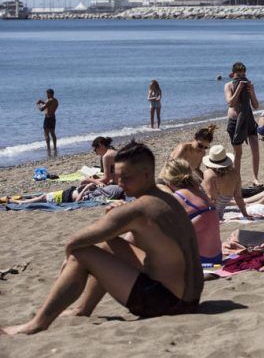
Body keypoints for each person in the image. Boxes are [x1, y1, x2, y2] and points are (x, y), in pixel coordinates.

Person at [1, 142, 204, 334]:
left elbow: (74, 241)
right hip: (191, 298)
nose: (121, 184)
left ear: (146, 174)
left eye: (126, 178)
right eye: (118, 177)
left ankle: (37, 324)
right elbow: (137, 237)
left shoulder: (138, 209)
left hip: (168, 303)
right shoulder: (167, 198)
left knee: (81, 253)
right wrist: (118, 221)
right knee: (108, 244)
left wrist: (68, 259)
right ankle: (82, 309)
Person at [158, 159, 222, 265]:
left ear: (168, 181)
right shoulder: (201, 193)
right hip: (216, 256)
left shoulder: (177, 199)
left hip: (199, 260)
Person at [225, 62, 260, 185]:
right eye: (238, 75)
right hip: (235, 121)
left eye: (243, 75)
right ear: (233, 74)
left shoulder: (249, 86)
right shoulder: (228, 85)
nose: (241, 77)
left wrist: (251, 92)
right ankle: (237, 180)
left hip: (249, 119)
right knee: (238, 153)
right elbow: (231, 103)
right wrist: (239, 88)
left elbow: (256, 106)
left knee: (255, 149)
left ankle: (255, 178)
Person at [201, 145, 258, 220]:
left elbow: (211, 199)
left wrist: (211, 220)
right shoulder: (235, 174)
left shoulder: (209, 174)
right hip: (219, 214)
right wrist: (245, 214)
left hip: (208, 215)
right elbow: (238, 197)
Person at [16, 183, 125, 205]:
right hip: (69, 192)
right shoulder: (109, 191)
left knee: (44, 197)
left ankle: (22, 202)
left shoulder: (101, 198)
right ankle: (29, 200)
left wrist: (86, 187)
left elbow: (77, 201)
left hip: (67, 196)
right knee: (43, 197)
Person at [36, 88, 58, 155]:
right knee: (53, 133)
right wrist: (42, 102)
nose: (46, 95)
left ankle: (48, 148)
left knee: (46, 134)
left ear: (50, 94)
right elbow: (47, 104)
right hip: (53, 117)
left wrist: (38, 104)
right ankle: (54, 147)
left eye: (47, 94)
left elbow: (42, 109)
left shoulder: (50, 100)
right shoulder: (55, 100)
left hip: (48, 118)